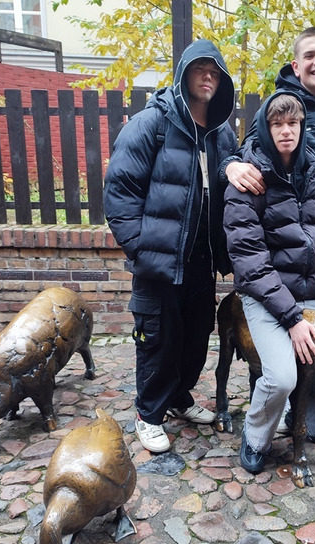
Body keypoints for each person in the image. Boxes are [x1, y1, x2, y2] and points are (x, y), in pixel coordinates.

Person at [103, 39, 237, 453]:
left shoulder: (222, 134)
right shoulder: (151, 124)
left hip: (201, 261)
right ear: (183, 74)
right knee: (158, 342)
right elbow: (119, 192)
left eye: (215, 71)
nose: (208, 76)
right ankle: (149, 413)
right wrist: (142, 250)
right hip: (159, 263)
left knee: (195, 338)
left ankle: (179, 398)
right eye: (200, 69)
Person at [223, 91, 315, 473]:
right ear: (265, 128)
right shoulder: (247, 181)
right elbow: (250, 262)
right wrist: (293, 320)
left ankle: (311, 423)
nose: (287, 131)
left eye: (293, 123)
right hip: (266, 299)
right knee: (281, 378)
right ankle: (256, 437)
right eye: (278, 124)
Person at [222, 26, 315, 205]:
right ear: (296, 67)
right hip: (294, 216)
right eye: (309, 56)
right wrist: (231, 166)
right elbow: (246, 153)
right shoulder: (280, 107)